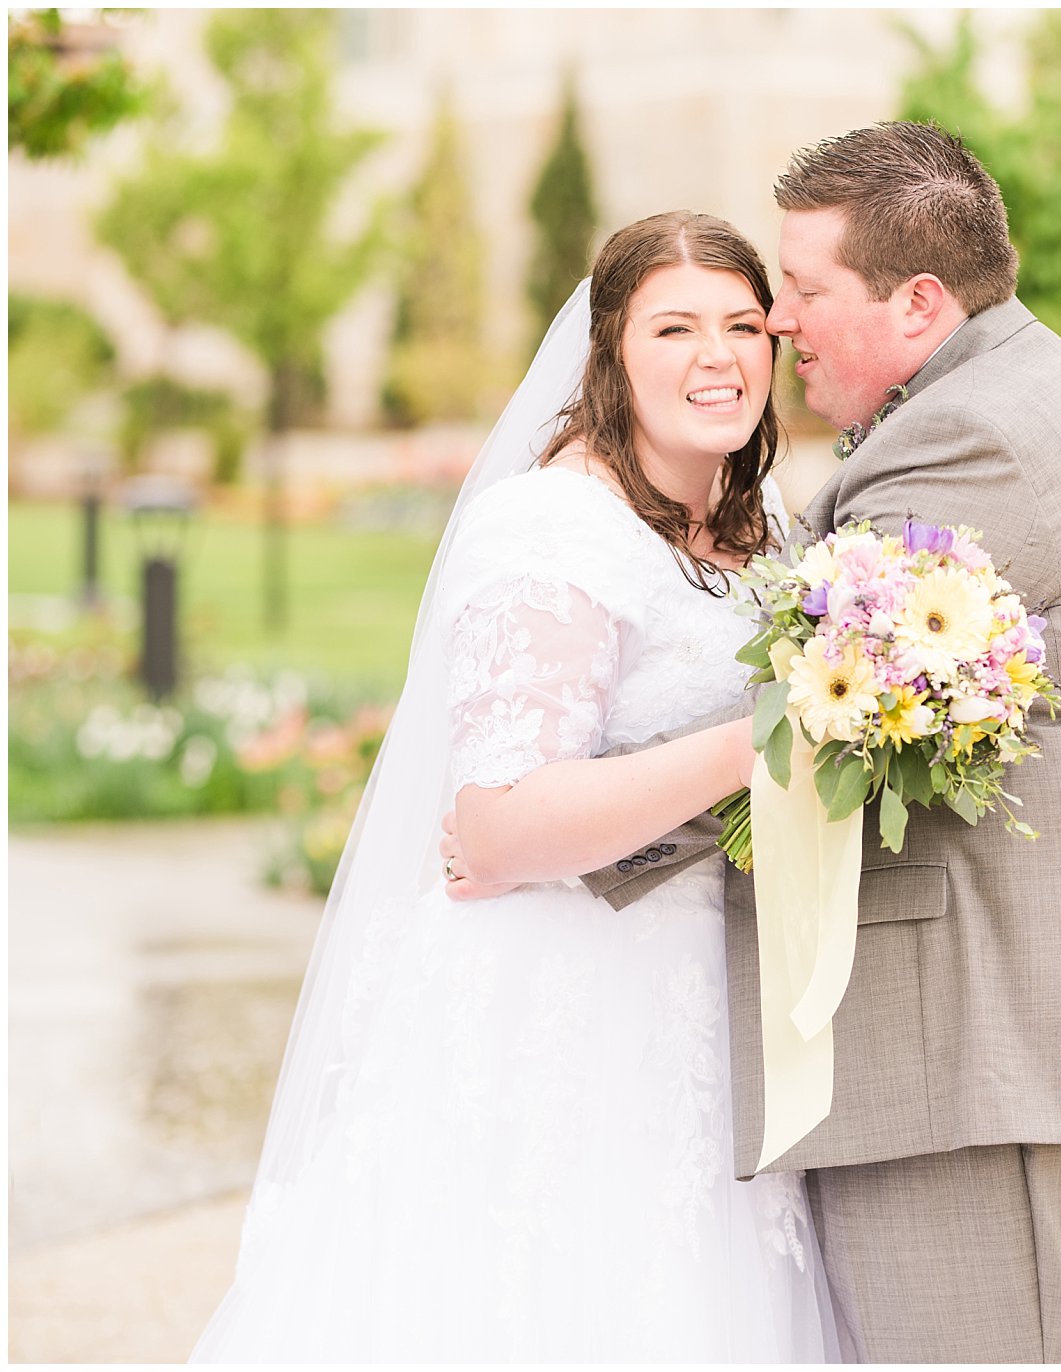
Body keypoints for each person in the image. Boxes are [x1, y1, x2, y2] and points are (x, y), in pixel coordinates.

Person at [571, 122, 1061, 1363]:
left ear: (919, 302)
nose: (778, 323)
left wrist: (564, 830)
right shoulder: (982, 396)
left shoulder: (975, 436)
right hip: (996, 1038)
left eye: (803, 291)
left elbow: (821, 705)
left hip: (1004, 1046)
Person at [191, 212, 839, 1362]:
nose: (719, 356)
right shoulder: (553, 526)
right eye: (675, 326)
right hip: (565, 1006)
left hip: (708, 1001)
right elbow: (495, 828)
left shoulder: (766, 528)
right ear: (608, 352)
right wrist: (765, 736)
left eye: (744, 325)